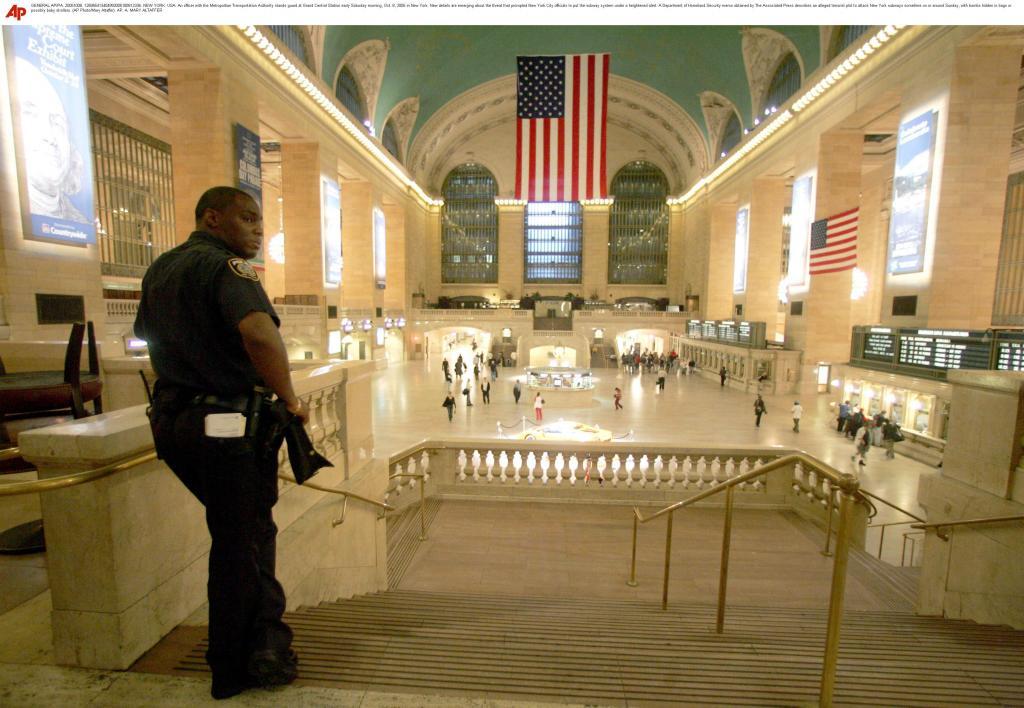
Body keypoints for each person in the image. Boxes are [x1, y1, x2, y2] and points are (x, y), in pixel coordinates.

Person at [134, 186, 305, 700]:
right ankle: (241, 663)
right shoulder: (229, 269)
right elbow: (258, 333)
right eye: (248, 218)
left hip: (173, 424)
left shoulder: (160, 268)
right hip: (224, 427)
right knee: (244, 541)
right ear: (213, 218)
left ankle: (254, 646)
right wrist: (290, 397)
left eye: (260, 220)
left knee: (238, 533)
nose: (258, 229)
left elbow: (149, 337)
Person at [15, 58, 88, 223]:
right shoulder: (11, 214)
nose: (50, 137)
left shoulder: (80, 221)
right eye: (30, 113)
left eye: (57, 122)